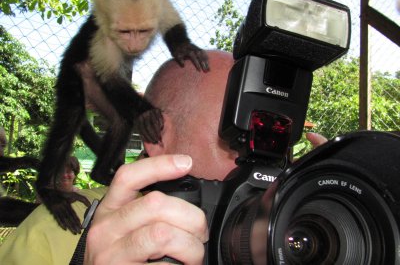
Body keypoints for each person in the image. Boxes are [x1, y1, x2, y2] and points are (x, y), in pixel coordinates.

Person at [0, 50, 327, 264]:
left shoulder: (293, 236)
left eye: (278, 146)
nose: (267, 165)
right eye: (242, 140)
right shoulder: (60, 229)